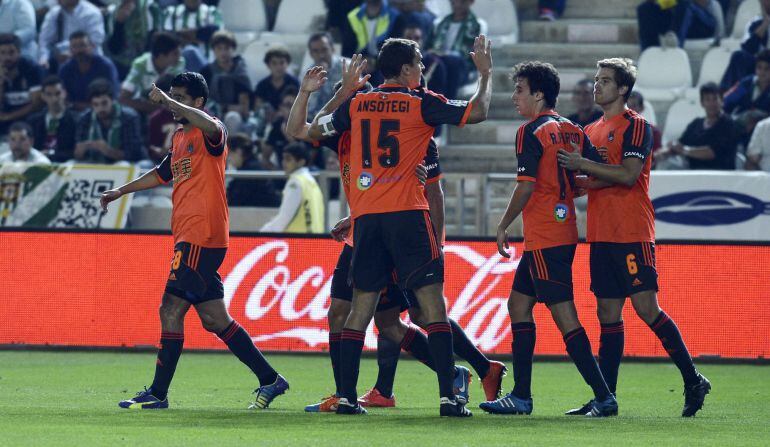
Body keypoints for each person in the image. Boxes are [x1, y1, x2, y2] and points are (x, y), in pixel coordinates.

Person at [288, 71, 505, 412]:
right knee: (371, 317)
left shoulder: (414, 135)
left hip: (401, 232)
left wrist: (439, 241)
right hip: (365, 232)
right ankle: (362, 391)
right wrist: (354, 216)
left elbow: (434, 191)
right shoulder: (345, 134)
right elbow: (308, 128)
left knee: (412, 313)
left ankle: (467, 371)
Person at [101, 72, 289, 410]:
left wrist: (168, 102)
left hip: (202, 234)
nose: (172, 104)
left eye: (180, 98)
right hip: (188, 235)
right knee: (215, 318)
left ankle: (158, 393)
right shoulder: (179, 137)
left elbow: (209, 125)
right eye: (171, 97)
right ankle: (270, 379)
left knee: (170, 308)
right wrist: (120, 191)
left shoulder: (210, 130)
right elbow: (161, 173)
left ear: (198, 102)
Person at [556, 57, 711, 417]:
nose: (597, 86)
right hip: (601, 233)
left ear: (623, 88)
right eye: (596, 79)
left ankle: (692, 379)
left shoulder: (636, 126)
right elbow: (595, 180)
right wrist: (562, 186)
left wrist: (580, 166)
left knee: (645, 308)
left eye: (605, 80)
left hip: (631, 231)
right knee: (607, 313)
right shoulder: (591, 129)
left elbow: (627, 175)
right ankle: (605, 398)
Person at [480, 61, 616, 418]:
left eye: (520, 90)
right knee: (518, 305)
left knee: (564, 316)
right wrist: (573, 190)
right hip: (562, 231)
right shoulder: (574, 129)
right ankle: (521, 396)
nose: (515, 97)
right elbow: (599, 169)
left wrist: (503, 224)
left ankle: (603, 397)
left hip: (544, 235)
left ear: (539, 94)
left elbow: (525, 187)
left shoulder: (530, 131)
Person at [660, 82, 738, 170]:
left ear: (722, 101)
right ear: (702, 103)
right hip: (693, 174)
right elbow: (680, 144)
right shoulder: (696, 124)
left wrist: (685, 150)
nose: (712, 103)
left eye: (715, 99)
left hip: (720, 176)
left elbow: (712, 152)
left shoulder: (728, 124)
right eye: (708, 99)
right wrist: (666, 152)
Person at [74, 78, 144, 163]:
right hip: (93, 163)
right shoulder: (84, 118)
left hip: (122, 163)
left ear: (113, 100)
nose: (100, 108)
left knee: (123, 164)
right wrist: (80, 151)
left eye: (104, 103)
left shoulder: (129, 117)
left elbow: (134, 154)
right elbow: (77, 155)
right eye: (96, 104)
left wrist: (107, 151)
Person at [259, 143, 325, 233]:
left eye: (288, 159)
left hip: (298, 240)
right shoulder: (311, 181)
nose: (283, 163)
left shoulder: (295, 183)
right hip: (316, 239)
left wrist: (262, 233)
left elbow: (283, 219)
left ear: (301, 162)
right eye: (283, 158)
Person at [430, 0, 487, 98]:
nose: (457, 5)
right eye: (454, 2)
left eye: (462, 2)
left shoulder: (478, 25)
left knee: (453, 60)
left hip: (463, 67)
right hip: (438, 61)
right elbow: (428, 46)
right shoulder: (439, 23)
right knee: (432, 62)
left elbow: (478, 52)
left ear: (471, 2)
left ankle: (447, 104)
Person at [120, 31, 185, 115]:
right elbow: (124, 98)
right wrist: (156, 108)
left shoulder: (179, 63)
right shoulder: (140, 64)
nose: (179, 57)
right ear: (161, 55)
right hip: (143, 110)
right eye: (175, 54)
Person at [58, 31, 120, 111]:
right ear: (70, 49)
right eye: (74, 46)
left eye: (82, 45)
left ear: (92, 46)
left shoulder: (105, 66)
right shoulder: (65, 69)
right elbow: (63, 98)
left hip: (104, 110)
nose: (79, 50)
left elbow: (114, 97)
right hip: (74, 112)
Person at [37, 0, 105, 72]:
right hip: (60, 62)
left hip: (88, 61)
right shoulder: (54, 13)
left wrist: (66, 50)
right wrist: (44, 58)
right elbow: (44, 41)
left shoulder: (91, 13)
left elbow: (96, 39)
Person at [200, 30, 251, 124]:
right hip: (211, 114)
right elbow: (201, 100)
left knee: (233, 117)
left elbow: (244, 107)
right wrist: (224, 108)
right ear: (214, 50)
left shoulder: (240, 72)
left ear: (233, 49)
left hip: (234, 117)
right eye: (219, 48)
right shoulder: (206, 72)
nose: (223, 52)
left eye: (226, 48)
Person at [104, 0, 164, 79]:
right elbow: (114, 49)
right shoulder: (112, 11)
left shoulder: (150, 7)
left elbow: (155, 42)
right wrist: (119, 22)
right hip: (119, 66)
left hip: (146, 65)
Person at [26, 75, 78, 162]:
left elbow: (77, 151)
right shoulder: (33, 121)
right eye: (49, 94)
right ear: (43, 96)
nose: (54, 99)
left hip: (67, 165)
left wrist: (51, 154)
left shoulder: (76, 120)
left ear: (64, 93)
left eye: (58, 94)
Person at [721, 0, 770, 91]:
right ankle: (725, 94)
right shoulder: (755, 23)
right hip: (761, 63)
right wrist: (764, 25)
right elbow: (747, 48)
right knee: (739, 56)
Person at [160, 0, 222, 72]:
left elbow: (215, 33)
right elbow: (166, 37)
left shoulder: (212, 12)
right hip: (177, 67)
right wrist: (198, 35)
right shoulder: (171, 12)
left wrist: (180, 34)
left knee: (190, 51)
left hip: (206, 66)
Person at [0, 33, 43, 136]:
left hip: (28, 115)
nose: (7, 57)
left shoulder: (32, 68)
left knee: (35, 119)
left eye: (11, 52)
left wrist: (8, 116)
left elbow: (37, 105)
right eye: (2, 53)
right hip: (6, 114)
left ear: (19, 52)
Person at [226, 133, 280, 207]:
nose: (228, 159)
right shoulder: (251, 166)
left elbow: (236, 199)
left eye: (228, 154)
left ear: (239, 151)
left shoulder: (249, 172)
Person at [302, 32, 347, 119]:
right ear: (311, 54)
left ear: (332, 49)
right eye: (316, 51)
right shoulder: (307, 74)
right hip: (315, 119)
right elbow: (308, 104)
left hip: (342, 116)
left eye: (324, 50)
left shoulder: (347, 67)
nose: (321, 55)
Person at [403, 25, 447, 97]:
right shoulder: (392, 63)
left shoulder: (435, 63)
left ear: (422, 41)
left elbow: (439, 95)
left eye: (417, 38)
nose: (412, 41)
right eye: (408, 38)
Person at [723, 49, 770, 117]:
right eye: (759, 67)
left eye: (767, 69)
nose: (762, 72)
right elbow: (728, 100)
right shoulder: (747, 83)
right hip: (740, 122)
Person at [254, 46, 299, 113]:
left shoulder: (294, 83)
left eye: (282, 63)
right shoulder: (262, 85)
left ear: (287, 63)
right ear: (268, 65)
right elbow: (257, 108)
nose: (278, 67)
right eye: (274, 63)